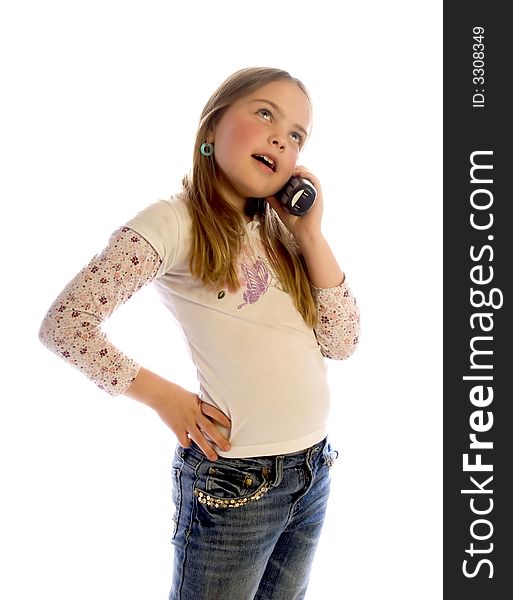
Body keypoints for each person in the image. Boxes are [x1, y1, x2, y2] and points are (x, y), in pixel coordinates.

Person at [38, 66, 360, 600]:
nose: (283, 136)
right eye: (265, 114)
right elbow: (66, 324)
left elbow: (343, 341)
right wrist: (165, 398)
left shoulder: (281, 229)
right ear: (211, 129)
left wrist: (309, 233)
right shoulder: (175, 221)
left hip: (312, 469)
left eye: (298, 135)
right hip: (235, 485)